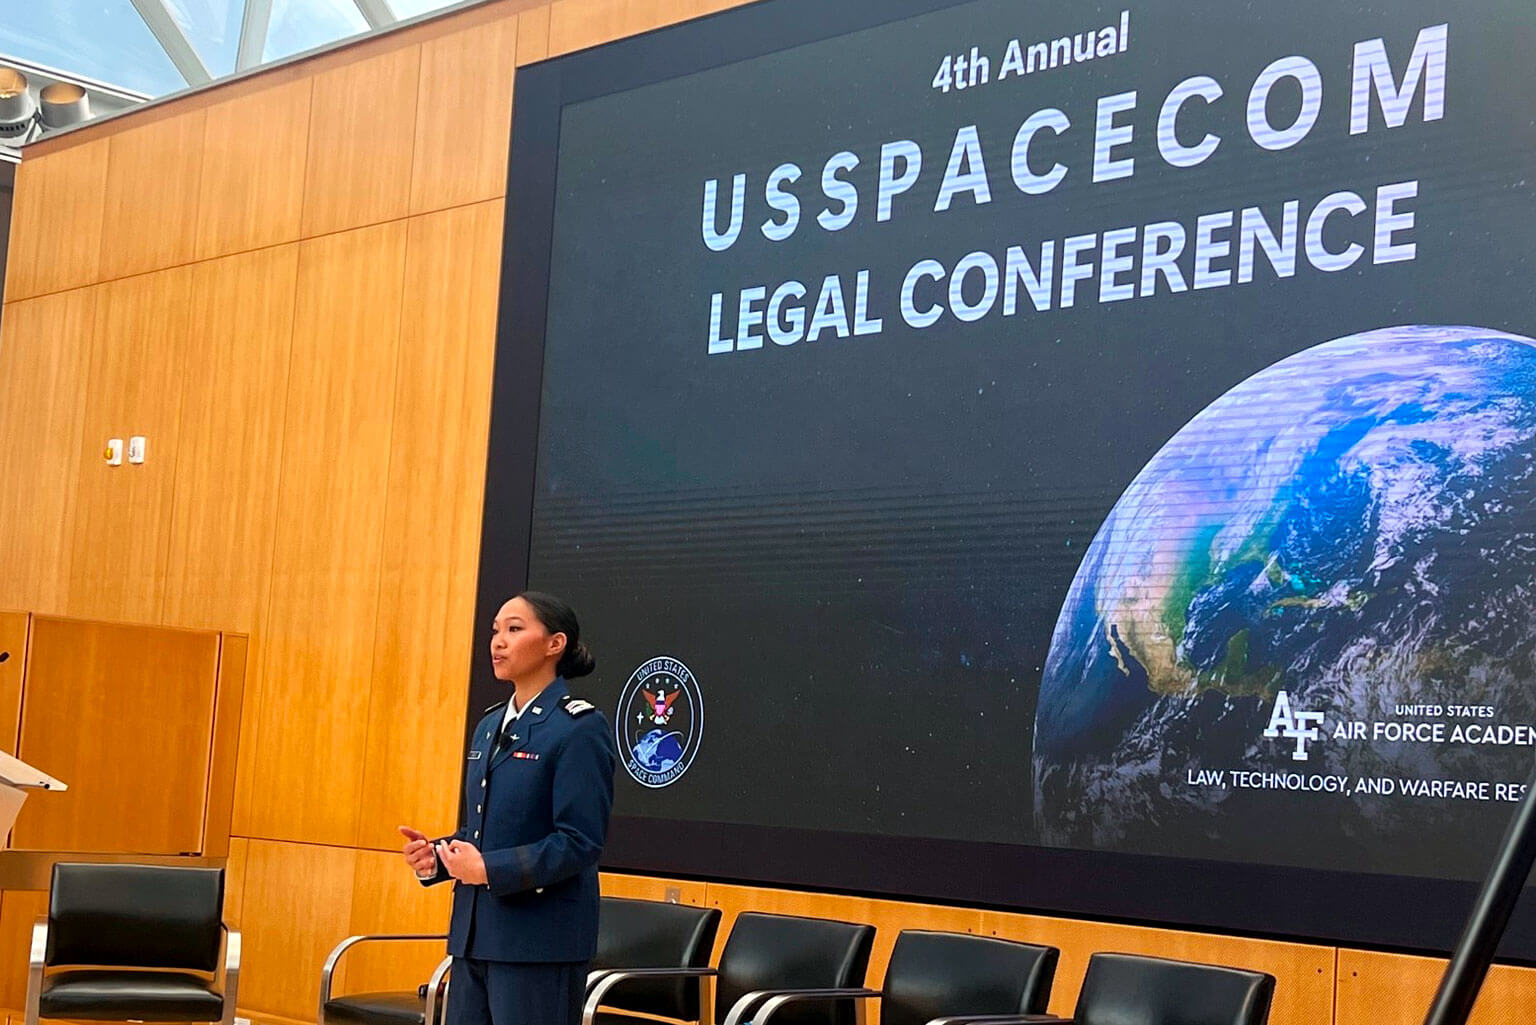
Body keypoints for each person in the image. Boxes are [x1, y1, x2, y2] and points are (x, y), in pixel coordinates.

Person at [400, 591, 616, 1025]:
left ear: (555, 644)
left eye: (514, 629)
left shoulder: (578, 728)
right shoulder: (489, 725)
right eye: (495, 630)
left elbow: (579, 842)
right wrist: (439, 858)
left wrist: (488, 870)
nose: (498, 641)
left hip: (538, 944)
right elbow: (483, 833)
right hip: (474, 938)